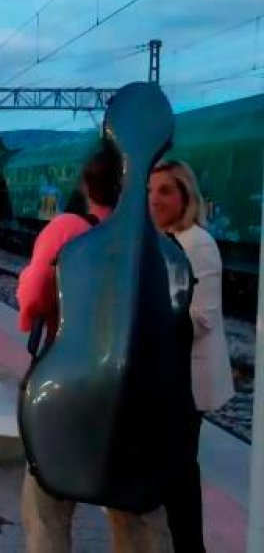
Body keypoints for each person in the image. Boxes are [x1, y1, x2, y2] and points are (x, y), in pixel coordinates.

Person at [17, 140, 173, 553]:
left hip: (69, 384)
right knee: (138, 514)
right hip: (139, 394)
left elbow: (32, 299)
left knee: (46, 505)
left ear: (89, 185)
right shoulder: (157, 241)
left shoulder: (68, 229)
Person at [149, 160, 235, 553]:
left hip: (187, 381)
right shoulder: (165, 239)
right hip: (168, 378)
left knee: (180, 476)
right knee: (173, 474)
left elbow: (202, 316)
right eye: (150, 190)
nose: (155, 198)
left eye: (166, 190)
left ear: (186, 196)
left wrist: (148, 327)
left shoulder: (197, 243)